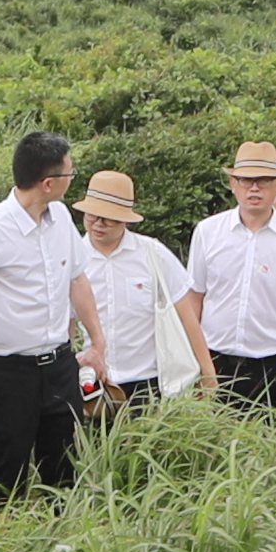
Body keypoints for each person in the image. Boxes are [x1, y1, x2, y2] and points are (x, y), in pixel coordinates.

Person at [0, 131, 116, 491]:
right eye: (70, 173)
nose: (73, 179)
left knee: (65, 472)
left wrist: (97, 342)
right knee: (4, 476)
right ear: (48, 183)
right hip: (7, 374)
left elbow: (77, 279)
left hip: (59, 365)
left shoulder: (61, 217)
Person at [185, 141, 276, 412]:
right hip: (213, 360)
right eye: (246, 180)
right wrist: (193, 361)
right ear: (233, 183)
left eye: (263, 181)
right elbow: (195, 299)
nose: (254, 189)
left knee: (268, 434)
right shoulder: (207, 232)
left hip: (270, 364)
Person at [72, 167, 199, 416]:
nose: (99, 223)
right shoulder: (73, 255)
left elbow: (186, 315)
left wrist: (207, 374)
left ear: (125, 219)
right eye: (93, 215)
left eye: (109, 218)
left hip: (147, 382)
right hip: (91, 382)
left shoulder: (152, 253)